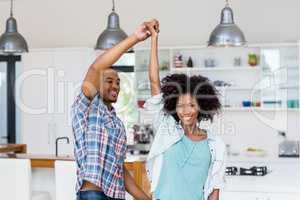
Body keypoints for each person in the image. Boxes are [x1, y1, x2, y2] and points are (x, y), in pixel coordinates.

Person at [71, 20, 157, 200]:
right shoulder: (85, 108)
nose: (115, 86)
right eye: (109, 81)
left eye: (118, 82)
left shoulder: (116, 122)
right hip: (93, 194)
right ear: (97, 83)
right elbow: (96, 67)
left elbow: (119, 168)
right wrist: (135, 38)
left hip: (116, 195)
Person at [145, 20, 226, 200]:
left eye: (191, 105)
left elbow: (214, 190)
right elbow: (153, 81)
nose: (185, 110)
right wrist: (154, 39)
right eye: (180, 105)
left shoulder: (215, 145)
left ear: (201, 106)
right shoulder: (166, 129)